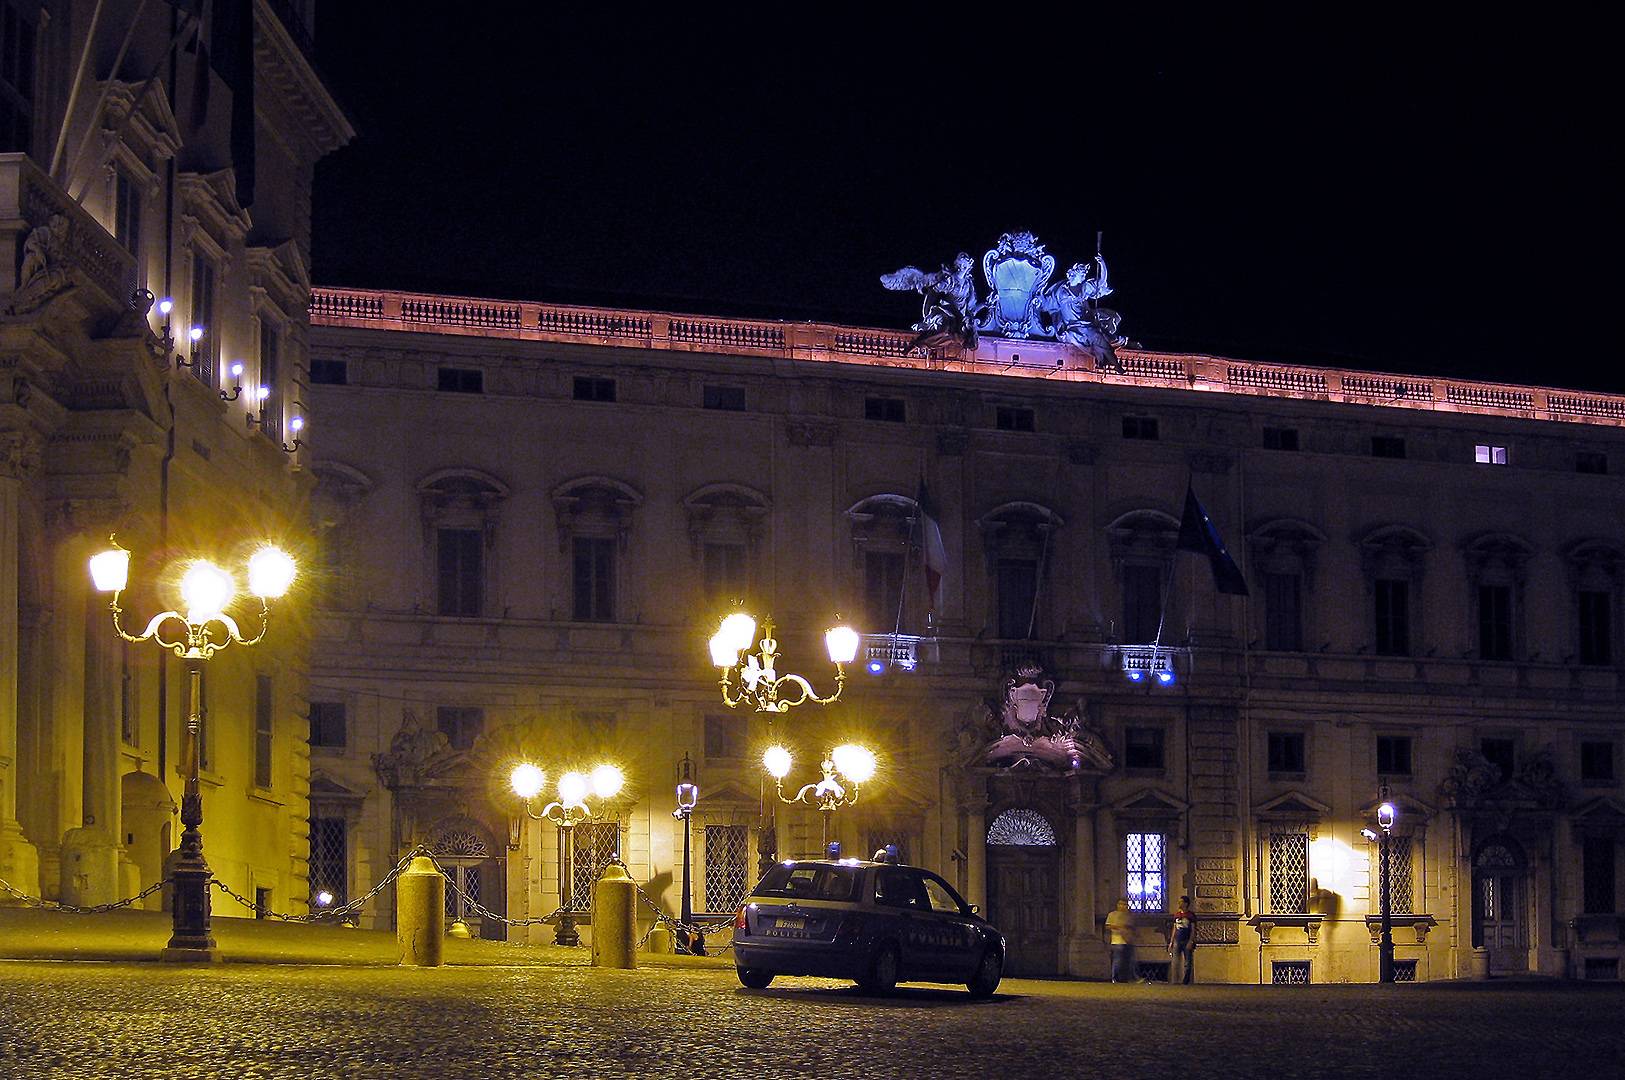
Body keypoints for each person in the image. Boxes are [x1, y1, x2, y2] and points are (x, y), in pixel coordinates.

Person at [1104, 899, 1134, 983]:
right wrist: (1117, 926)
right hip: (1117, 941)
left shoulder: (1128, 915)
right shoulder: (1112, 915)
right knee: (1118, 960)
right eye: (1121, 904)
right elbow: (1107, 926)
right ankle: (1115, 978)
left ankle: (1125, 978)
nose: (1123, 906)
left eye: (1125, 905)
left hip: (1127, 940)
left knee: (1128, 960)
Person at [1169, 896, 1196, 984]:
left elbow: (1193, 929)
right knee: (1175, 960)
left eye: (1181, 902)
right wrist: (1171, 941)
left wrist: (1191, 941)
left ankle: (1186, 980)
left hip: (1186, 939)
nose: (1179, 903)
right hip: (1178, 939)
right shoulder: (1176, 915)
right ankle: (1175, 980)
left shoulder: (1190, 915)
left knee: (1188, 961)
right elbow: (1175, 928)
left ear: (1186, 904)